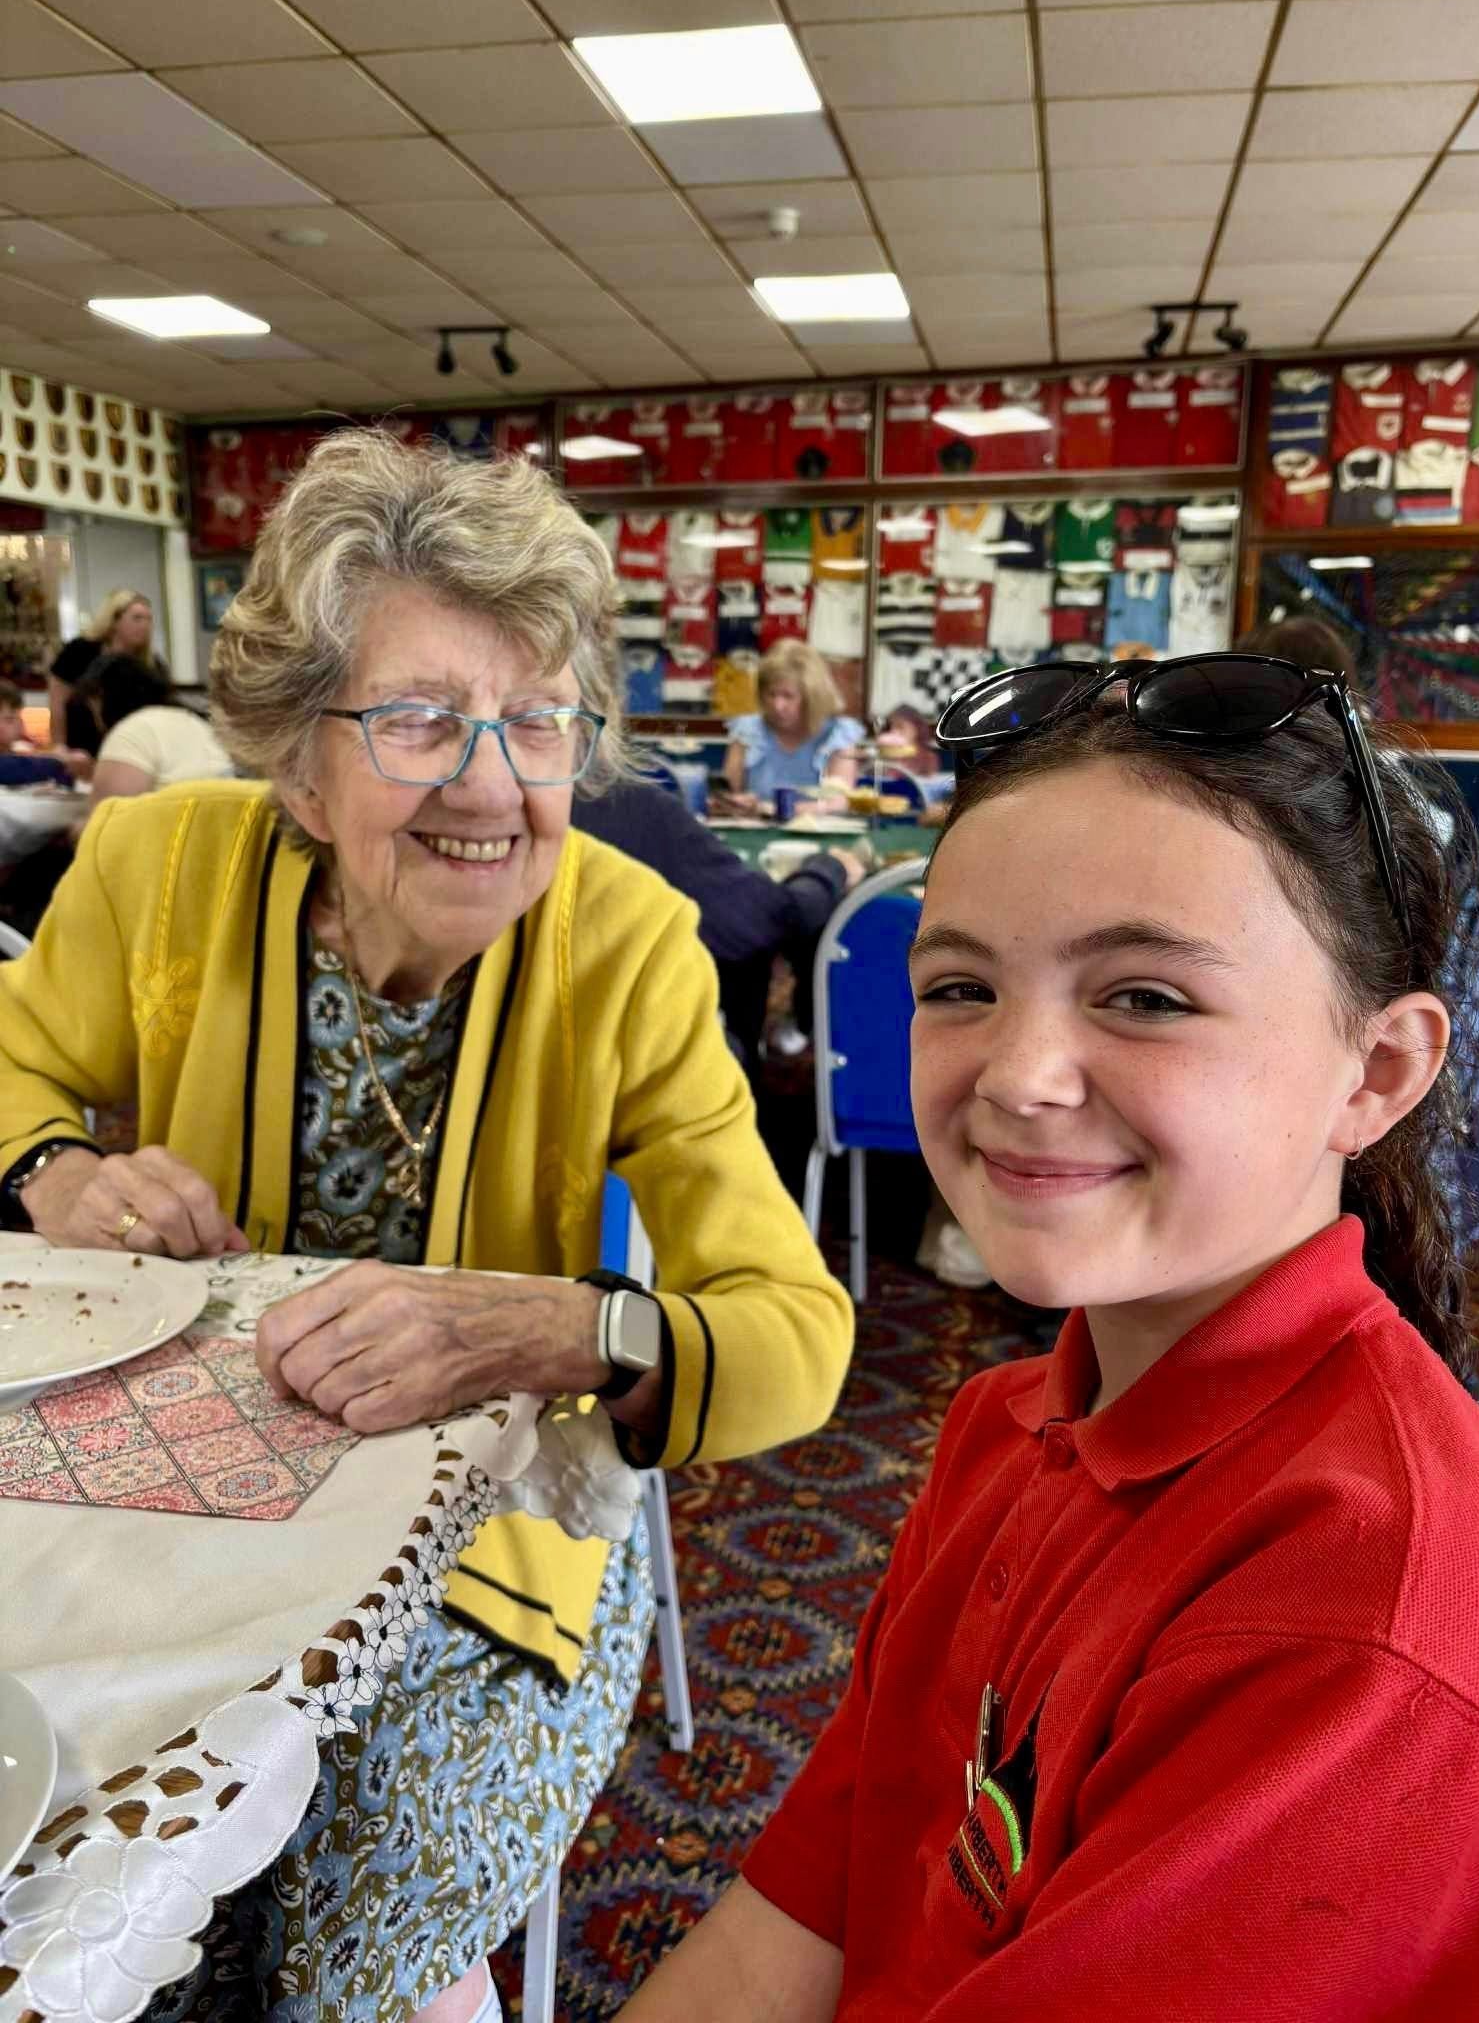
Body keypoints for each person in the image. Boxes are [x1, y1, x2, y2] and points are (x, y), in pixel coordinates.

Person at [0, 428, 853, 2023]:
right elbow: (13, 1068)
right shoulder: (154, 868)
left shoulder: (630, 946)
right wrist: (52, 1167)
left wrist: (563, 1327)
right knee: (64, 1840)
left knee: (339, 1938)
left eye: (537, 721)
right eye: (417, 719)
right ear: (296, 762)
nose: (490, 784)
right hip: (172, 1501)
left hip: (486, 1550)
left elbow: (796, 1332)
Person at [620, 655, 1479, 2020]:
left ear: (1379, 1070)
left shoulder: (1362, 1630)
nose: (1016, 1075)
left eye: (1145, 996)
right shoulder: (1004, 1425)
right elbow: (812, 1903)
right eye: (960, 986)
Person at [572, 773, 863, 1081]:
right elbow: (769, 919)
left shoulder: (615, 806)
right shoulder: (625, 804)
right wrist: (830, 868)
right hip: (647, 1070)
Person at [720, 638, 864, 813]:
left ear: (811, 697)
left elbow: (839, 803)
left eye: (788, 696)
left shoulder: (838, 734)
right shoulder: (747, 731)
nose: (778, 705)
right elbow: (730, 796)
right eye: (771, 694)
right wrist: (737, 802)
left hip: (820, 829)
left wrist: (773, 810)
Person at [81, 653, 233, 817]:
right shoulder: (193, 721)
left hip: (175, 828)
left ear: (100, 696)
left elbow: (105, 822)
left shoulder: (131, 732)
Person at [48, 587, 160, 757]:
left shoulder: (150, 664)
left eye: (148, 619)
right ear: (114, 621)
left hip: (130, 749)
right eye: (137, 618)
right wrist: (59, 745)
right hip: (81, 746)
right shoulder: (80, 651)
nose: (144, 626)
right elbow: (57, 700)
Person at [0, 680, 76, 787]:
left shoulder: (22, 749)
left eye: (19, 717)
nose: (20, 724)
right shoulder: (11, 766)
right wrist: (59, 761)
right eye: (10, 719)